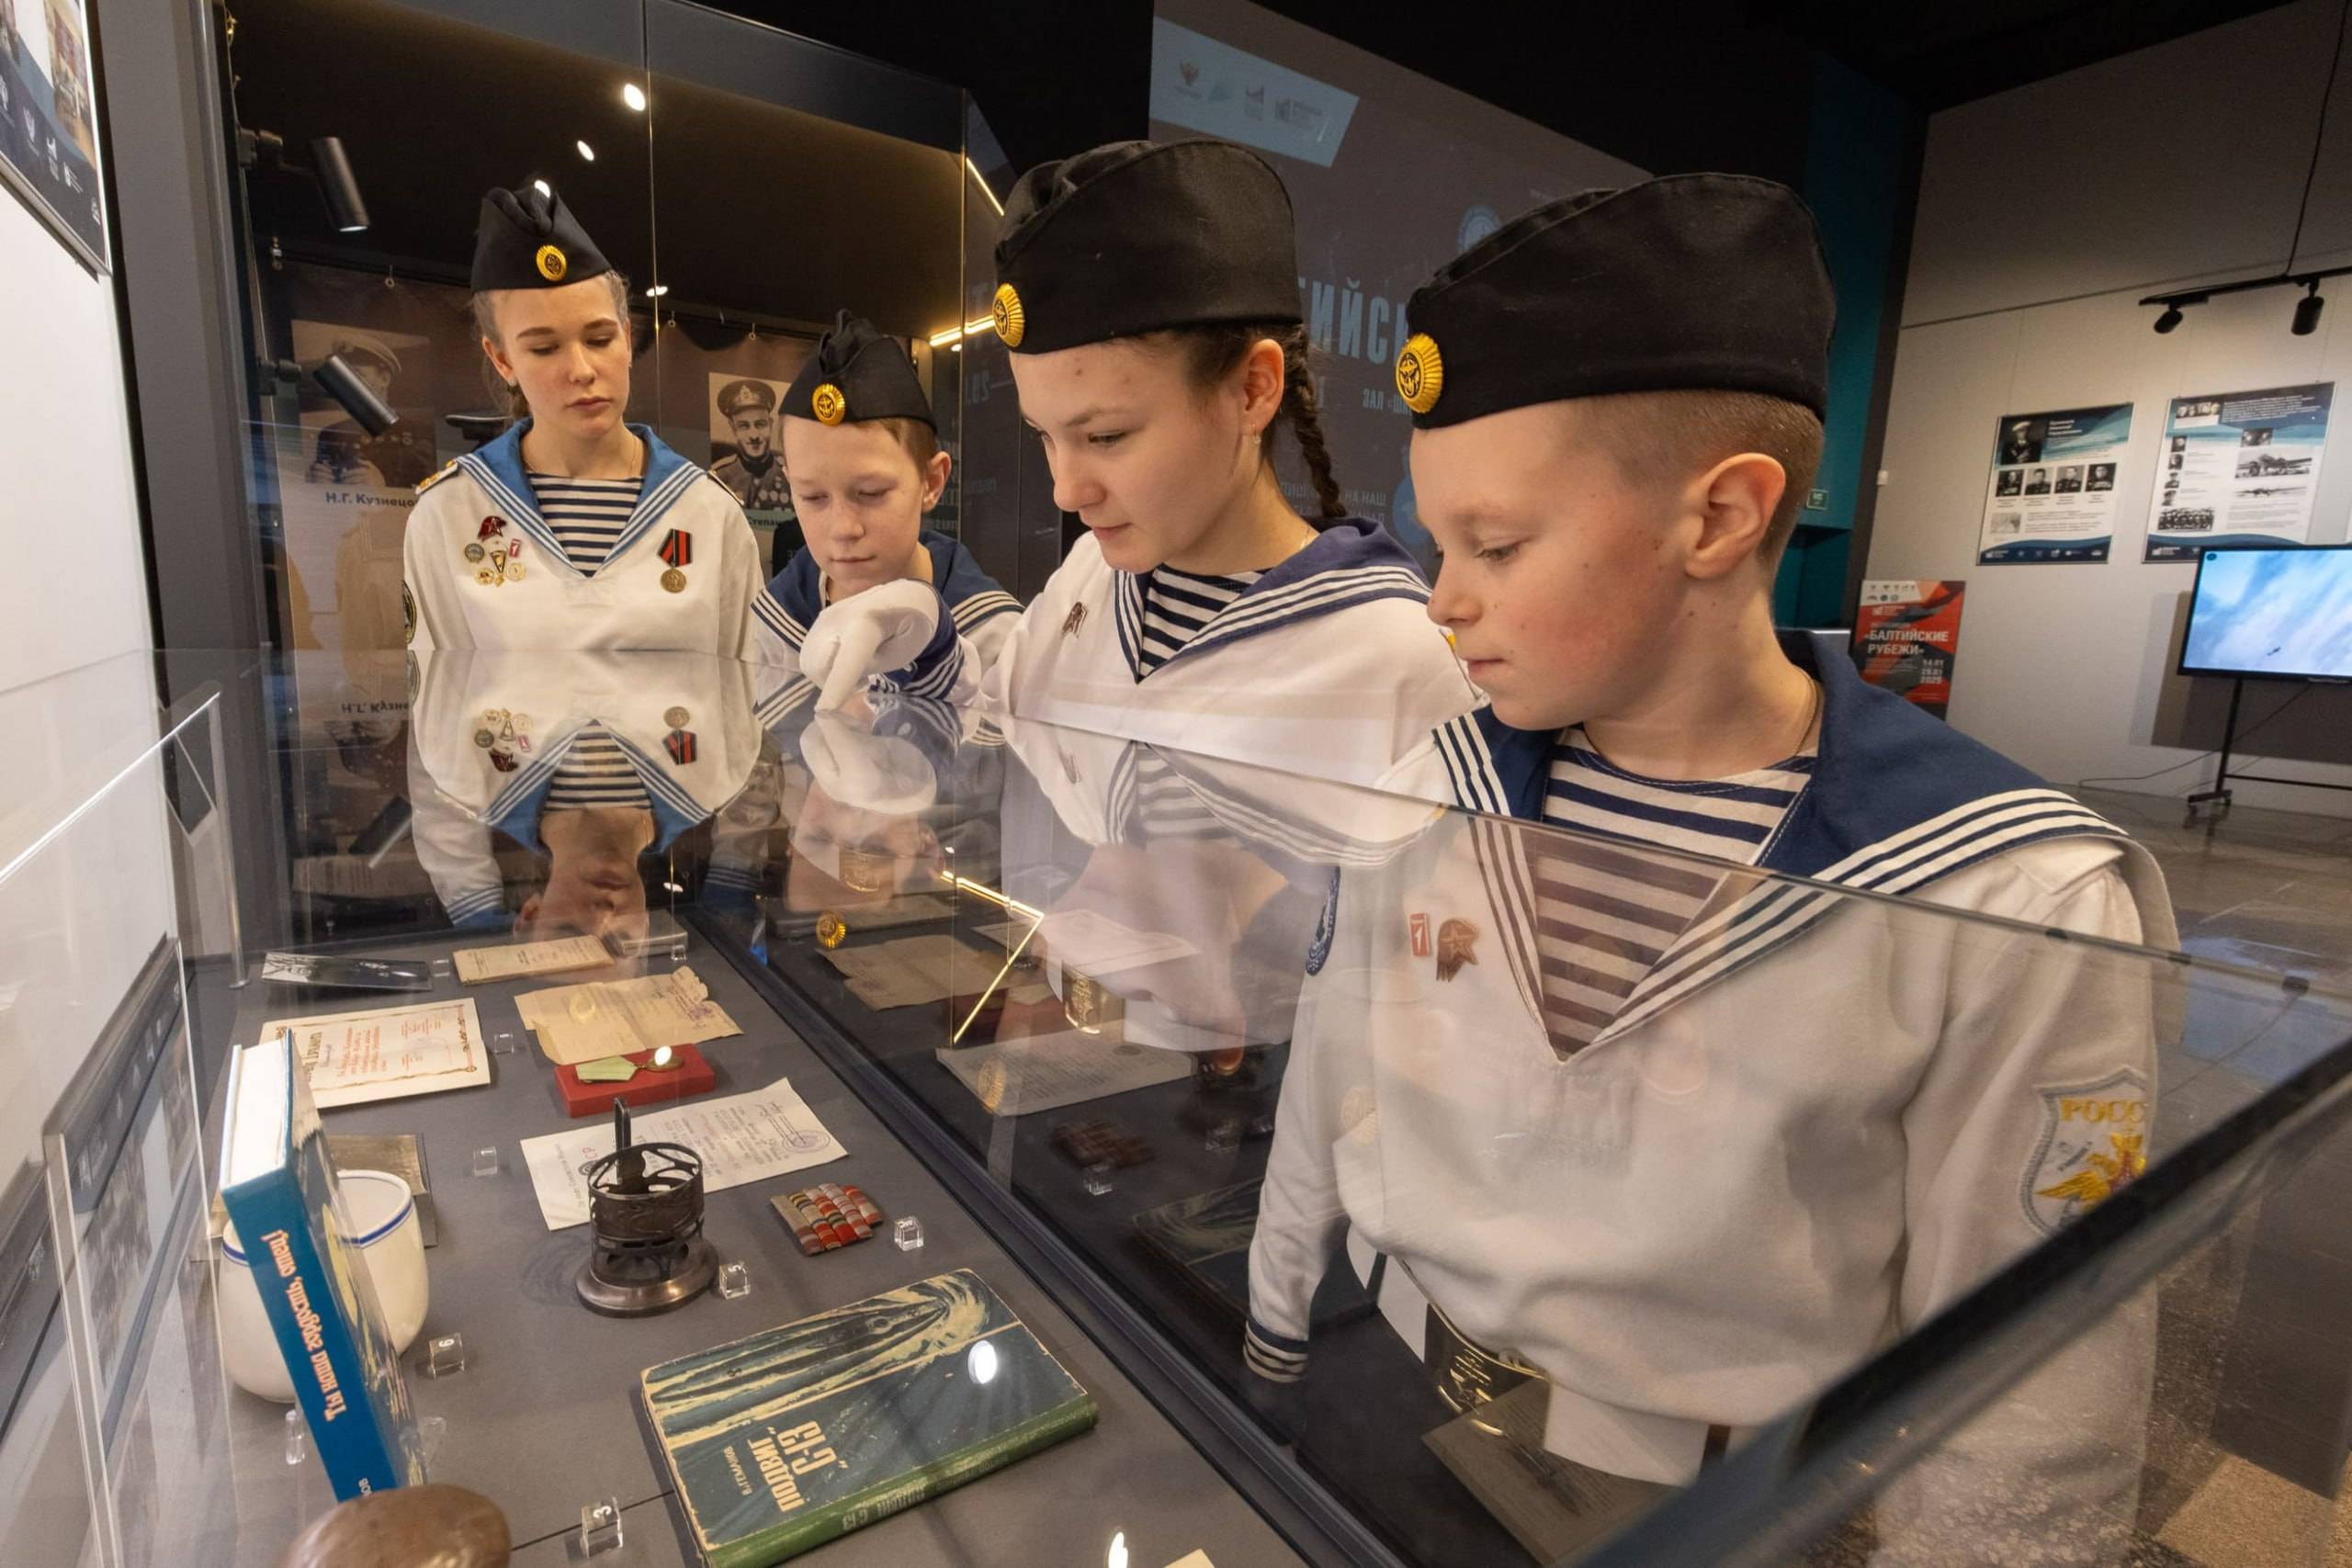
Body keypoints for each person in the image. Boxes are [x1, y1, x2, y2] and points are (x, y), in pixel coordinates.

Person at [1247, 175, 2177, 1557]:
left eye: (1496, 544)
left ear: (1723, 515)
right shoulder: (1432, 781)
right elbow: (1332, 1076)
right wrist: (1274, 1329)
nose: (1444, 598)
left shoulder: (2000, 890)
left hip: (1712, 1505)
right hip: (1385, 1384)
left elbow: (2042, 1352)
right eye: (1442, 543)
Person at [793, 138, 1477, 786]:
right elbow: (1002, 758)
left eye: (1107, 436)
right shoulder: (1090, 576)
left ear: (1251, 389)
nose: (1066, 492)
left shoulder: (1396, 660)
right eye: (1044, 436)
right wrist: (928, 654)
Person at [401, 186, 761, 652]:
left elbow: (747, 681)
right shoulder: (451, 512)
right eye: (544, 348)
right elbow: (435, 686)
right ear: (502, 359)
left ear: (627, 339)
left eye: (599, 339)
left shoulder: (708, 511)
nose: (582, 370)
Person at [749, 310, 1019, 715]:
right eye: (812, 497)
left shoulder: (994, 634)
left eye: (871, 493)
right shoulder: (777, 619)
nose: (843, 529)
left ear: (932, 482)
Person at [709, 378, 795, 518]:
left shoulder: (790, 474)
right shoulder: (720, 477)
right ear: (733, 428)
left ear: (770, 424)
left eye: (760, 424)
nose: (754, 435)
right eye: (744, 426)